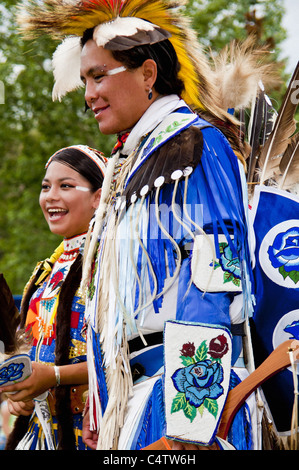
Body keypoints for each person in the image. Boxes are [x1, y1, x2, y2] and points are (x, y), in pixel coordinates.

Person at [17, 0, 271, 450]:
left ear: (148, 74)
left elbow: (213, 277)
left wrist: (190, 428)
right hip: (135, 402)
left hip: (181, 405)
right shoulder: (133, 162)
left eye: (99, 76)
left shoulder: (193, 145)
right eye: (84, 80)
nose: (89, 93)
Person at [1, 145, 107, 450]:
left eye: (66, 186)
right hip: (42, 433)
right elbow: (28, 349)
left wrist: (54, 376)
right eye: (46, 186)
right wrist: (18, 393)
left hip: (93, 432)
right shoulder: (45, 273)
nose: (51, 196)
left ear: (98, 198)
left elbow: (124, 360)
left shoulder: (112, 266)